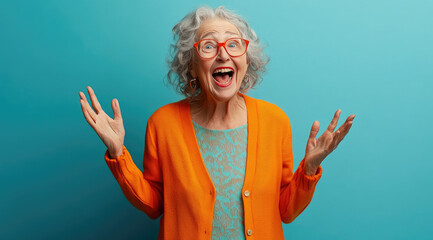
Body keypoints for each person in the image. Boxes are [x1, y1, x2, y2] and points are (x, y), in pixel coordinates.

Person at [78, 6, 355, 240]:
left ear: (246, 60)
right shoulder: (162, 124)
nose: (224, 54)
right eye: (209, 45)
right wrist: (118, 155)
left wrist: (309, 168)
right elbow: (155, 204)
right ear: (191, 65)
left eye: (233, 44)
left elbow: (285, 210)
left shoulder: (275, 121)